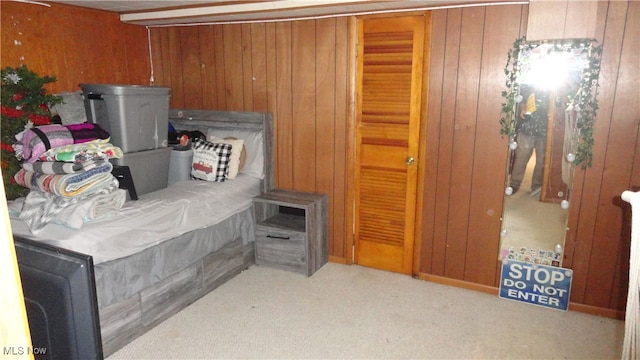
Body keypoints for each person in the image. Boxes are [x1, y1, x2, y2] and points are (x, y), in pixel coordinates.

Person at [509, 85, 549, 197]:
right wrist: (522, 107)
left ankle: (537, 186)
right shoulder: (528, 81)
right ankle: (514, 184)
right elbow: (520, 97)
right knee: (521, 156)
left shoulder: (553, 88)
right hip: (527, 125)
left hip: (546, 127)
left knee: (542, 159)